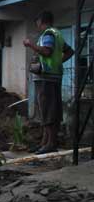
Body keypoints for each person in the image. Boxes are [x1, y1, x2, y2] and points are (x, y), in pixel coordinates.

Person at [23, 11, 74, 154]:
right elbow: (70, 51)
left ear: (41, 21)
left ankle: (50, 143)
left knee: (47, 110)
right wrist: (58, 63)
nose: (37, 25)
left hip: (46, 77)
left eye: (37, 22)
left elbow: (46, 52)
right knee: (52, 109)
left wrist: (30, 45)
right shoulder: (57, 34)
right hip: (54, 76)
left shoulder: (48, 34)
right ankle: (45, 142)